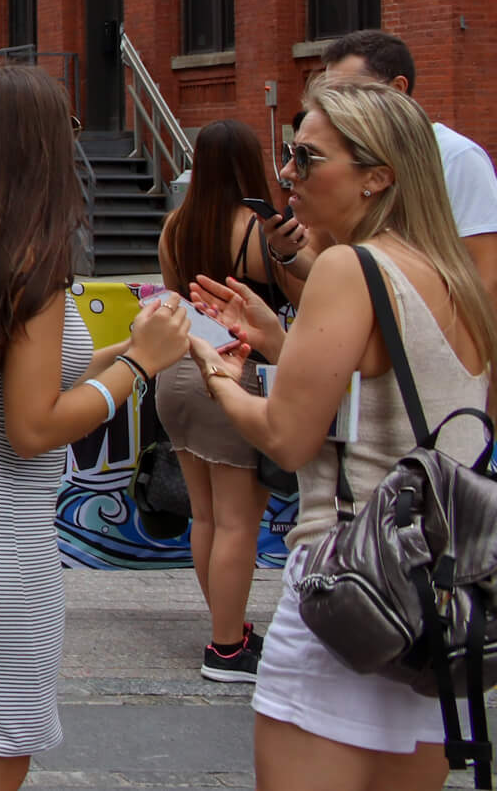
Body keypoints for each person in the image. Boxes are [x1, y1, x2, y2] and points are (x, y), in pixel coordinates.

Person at [185, 78, 496, 791]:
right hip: (431, 601)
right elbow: (391, 394)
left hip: (345, 586)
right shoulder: (454, 276)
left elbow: (289, 440)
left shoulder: (348, 268)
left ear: (376, 177)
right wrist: (274, 342)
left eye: (306, 157)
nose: (287, 174)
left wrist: (219, 377)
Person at [0, 65, 193, 791]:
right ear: (35, 150)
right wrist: (141, 370)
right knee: (1, 746)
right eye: (63, 131)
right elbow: (34, 427)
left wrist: (131, 349)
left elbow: (23, 380)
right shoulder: (34, 268)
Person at [153, 120, 283, 682]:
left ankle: (227, 626)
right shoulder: (259, 231)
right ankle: (226, 647)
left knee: (205, 516)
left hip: (176, 372)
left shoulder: (176, 225)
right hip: (234, 371)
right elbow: (300, 296)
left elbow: (171, 292)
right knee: (237, 523)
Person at [318, 29, 497, 299]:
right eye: (331, 95)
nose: (337, 107)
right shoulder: (349, 159)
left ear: (397, 88)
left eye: (350, 92)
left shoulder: (456, 156)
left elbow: (486, 275)